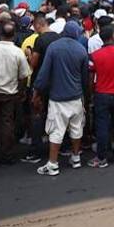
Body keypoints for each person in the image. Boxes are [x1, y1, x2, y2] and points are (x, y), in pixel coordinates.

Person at [33, 20, 90, 176]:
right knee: (77, 129)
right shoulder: (81, 50)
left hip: (58, 97)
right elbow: (85, 78)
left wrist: (37, 91)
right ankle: (76, 157)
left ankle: (52, 164)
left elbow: (44, 73)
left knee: (56, 131)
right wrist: (86, 96)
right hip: (76, 96)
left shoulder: (54, 47)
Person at [0, 21, 31, 165]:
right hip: (9, 92)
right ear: (14, 35)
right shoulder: (18, 52)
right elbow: (23, 75)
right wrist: (21, 92)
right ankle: (6, 155)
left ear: (0, 34)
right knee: (7, 123)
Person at [90, 24, 114, 168]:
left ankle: (102, 157)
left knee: (102, 126)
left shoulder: (95, 56)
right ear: (113, 37)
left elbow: (91, 75)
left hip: (102, 93)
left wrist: (91, 92)